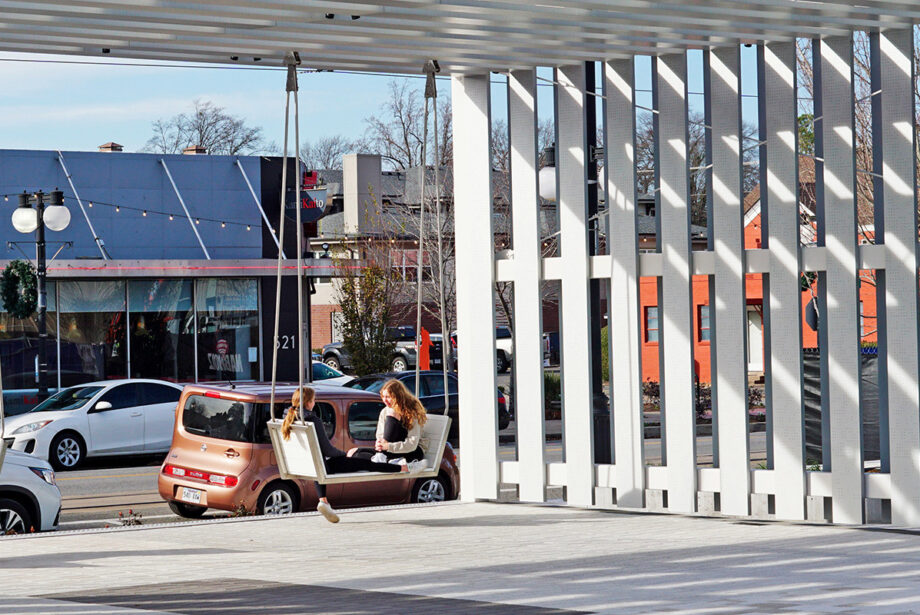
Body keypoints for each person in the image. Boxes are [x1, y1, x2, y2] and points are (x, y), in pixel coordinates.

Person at [281, 386, 404, 524]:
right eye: (314, 400)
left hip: (307, 465)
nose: (314, 403)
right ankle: (400, 469)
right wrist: (343, 455)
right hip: (323, 465)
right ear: (309, 402)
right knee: (367, 464)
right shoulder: (313, 421)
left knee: (329, 463)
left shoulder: (287, 419)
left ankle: (324, 501)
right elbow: (328, 451)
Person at [348, 379, 428, 464]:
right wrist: (380, 443)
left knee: (392, 412)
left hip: (412, 451)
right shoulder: (385, 411)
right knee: (352, 453)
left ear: (398, 396)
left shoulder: (411, 412)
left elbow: (412, 444)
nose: (385, 400)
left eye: (388, 397)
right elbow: (380, 434)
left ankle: (383, 457)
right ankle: (384, 458)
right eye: (383, 396)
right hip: (389, 450)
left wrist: (388, 446)